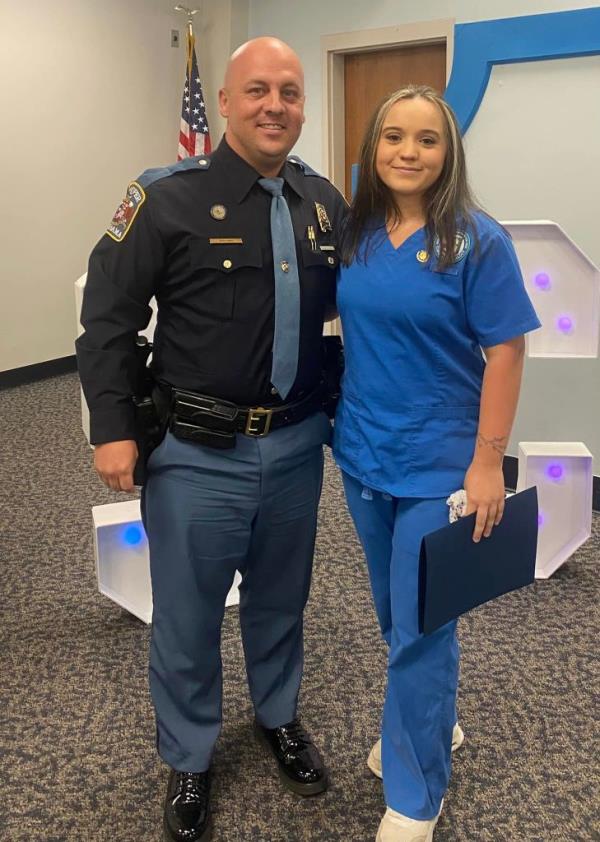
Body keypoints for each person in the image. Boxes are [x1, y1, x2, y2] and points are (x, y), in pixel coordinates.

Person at [76, 37, 347, 842]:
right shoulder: (165, 198)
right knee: (188, 616)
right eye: (258, 90)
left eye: (291, 93)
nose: (276, 106)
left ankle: (278, 717)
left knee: (279, 600)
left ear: (304, 107)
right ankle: (189, 755)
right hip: (197, 455)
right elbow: (108, 322)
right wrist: (114, 429)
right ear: (223, 103)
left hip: (297, 448)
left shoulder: (323, 201)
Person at [333, 85, 540, 842]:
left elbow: (508, 350)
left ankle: (417, 796)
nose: (408, 153)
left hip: (441, 466)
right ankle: (432, 716)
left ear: (448, 152)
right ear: (374, 148)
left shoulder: (478, 241)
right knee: (400, 615)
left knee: (421, 624)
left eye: (426, 139)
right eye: (393, 137)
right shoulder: (357, 233)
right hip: (362, 454)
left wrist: (489, 463)